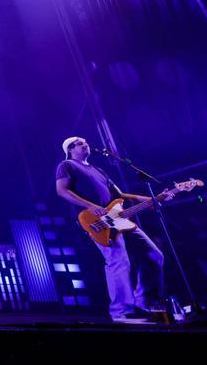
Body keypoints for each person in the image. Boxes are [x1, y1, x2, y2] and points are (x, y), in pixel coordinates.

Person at [55, 136, 172, 324]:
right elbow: (62, 190)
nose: (85, 143)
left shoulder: (99, 170)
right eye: (79, 143)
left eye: (85, 141)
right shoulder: (66, 165)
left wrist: (152, 199)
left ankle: (145, 303)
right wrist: (90, 205)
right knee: (119, 260)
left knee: (154, 255)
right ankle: (121, 311)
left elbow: (120, 195)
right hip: (96, 220)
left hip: (118, 217)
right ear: (70, 149)